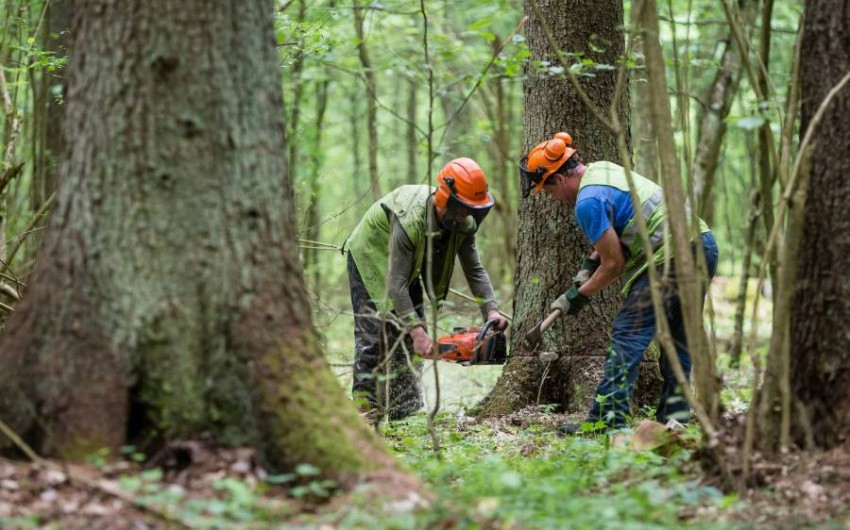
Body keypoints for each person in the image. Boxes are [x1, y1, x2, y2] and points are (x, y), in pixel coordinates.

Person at [519, 132, 719, 434]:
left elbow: (613, 264)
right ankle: (674, 419)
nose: (553, 198)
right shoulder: (603, 169)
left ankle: (606, 421)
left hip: (670, 259)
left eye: (548, 191)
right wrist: (588, 265)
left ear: (558, 179)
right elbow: (615, 232)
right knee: (679, 337)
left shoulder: (586, 203)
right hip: (701, 244)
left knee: (629, 334)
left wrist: (576, 296)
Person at [344, 157, 508, 425]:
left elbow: (474, 269)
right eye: (461, 209)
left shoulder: (462, 223)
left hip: (408, 267)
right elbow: (395, 284)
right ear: (445, 199)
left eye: (471, 210)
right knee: (375, 337)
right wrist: (418, 332)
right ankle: (366, 415)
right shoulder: (410, 219)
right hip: (371, 256)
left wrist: (490, 309)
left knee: (409, 340)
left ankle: (405, 412)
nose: (465, 216)